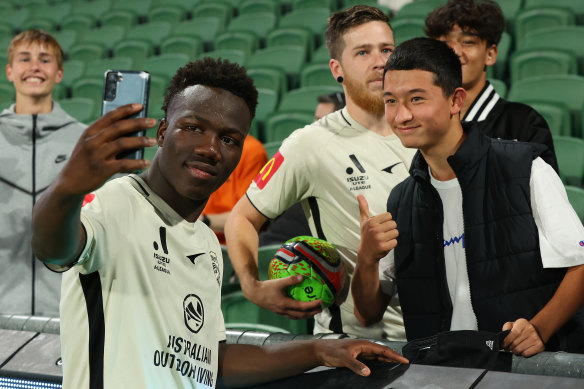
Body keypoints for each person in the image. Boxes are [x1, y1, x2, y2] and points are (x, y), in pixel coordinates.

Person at [30, 58, 408, 388]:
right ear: (162, 133)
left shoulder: (209, 244)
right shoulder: (118, 203)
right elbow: (53, 247)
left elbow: (210, 361)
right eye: (193, 127)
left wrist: (319, 349)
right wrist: (65, 190)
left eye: (228, 139)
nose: (210, 149)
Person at [352, 37, 584, 358]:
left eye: (416, 99)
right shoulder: (401, 199)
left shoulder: (524, 167)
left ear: (455, 101)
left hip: (524, 372)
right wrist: (366, 258)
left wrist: (540, 329)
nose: (401, 116)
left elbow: (580, 265)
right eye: (390, 101)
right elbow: (367, 314)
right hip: (441, 374)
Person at [225, 5, 416, 340]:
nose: (380, 61)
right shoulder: (310, 144)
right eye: (363, 52)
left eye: (387, 49)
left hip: (440, 336)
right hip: (356, 343)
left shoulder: (425, 130)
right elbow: (241, 218)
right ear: (336, 69)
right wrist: (252, 287)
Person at [0, 29, 86, 316]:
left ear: (59, 74)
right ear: (10, 71)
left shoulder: (85, 141)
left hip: (65, 315)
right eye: (25, 59)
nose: (35, 66)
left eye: (45, 60)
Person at [424, 0, 559, 172]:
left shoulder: (524, 123)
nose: (454, 51)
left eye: (467, 42)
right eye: (444, 44)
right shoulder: (425, 121)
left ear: (490, 54)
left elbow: (545, 195)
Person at [258, 92, 347, 246]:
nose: (313, 127)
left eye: (322, 121)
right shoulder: (299, 157)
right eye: (315, 119)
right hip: (278, 244)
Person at [200, 134, 267, 244]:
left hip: (230, 245)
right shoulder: (195, 145)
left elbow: (248, 217)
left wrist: (203, 221)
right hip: (196, 238)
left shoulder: (252, 150)